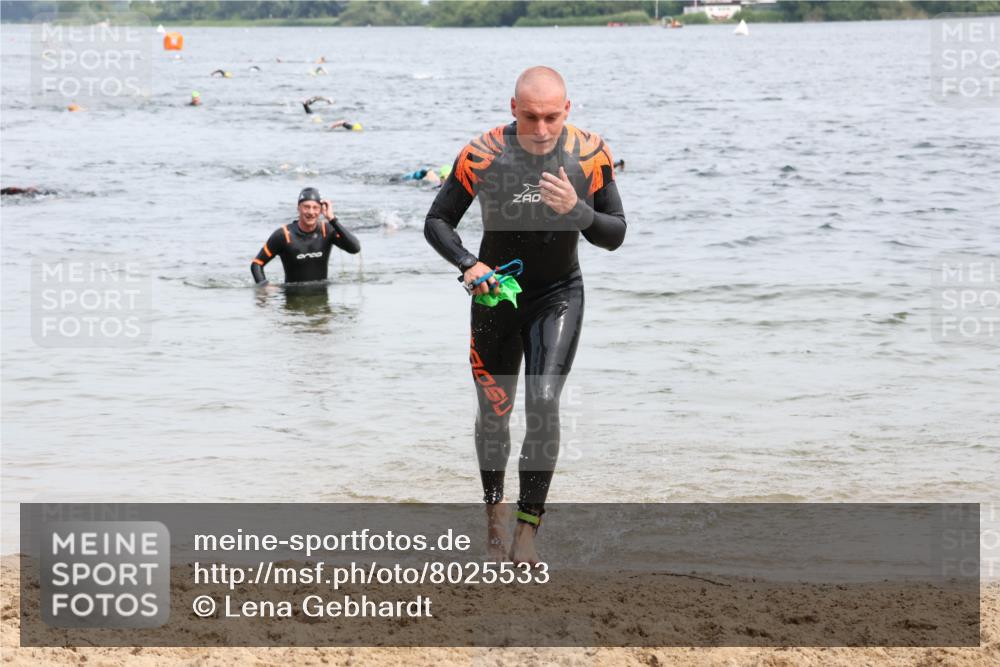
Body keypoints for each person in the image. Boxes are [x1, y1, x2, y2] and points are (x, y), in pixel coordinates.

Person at [424, 66, 626, 564]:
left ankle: (527, 532)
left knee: (543, 400)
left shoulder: (590, 153)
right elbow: (437, 221)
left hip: (558, 294)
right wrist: (469, 264)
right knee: (495, 414)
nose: (540, 130)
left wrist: (578, 211)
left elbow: (615, 233)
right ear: (513, 108)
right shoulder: (482, 154)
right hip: (494, 298)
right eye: (531, 117)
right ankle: (494, 517)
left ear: (567, 110)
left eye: (551, 118)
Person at [251, 187, 360, 285]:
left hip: (322, 305)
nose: (311, 212)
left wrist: (332, 219)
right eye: (306, 207)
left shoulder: (326, 230)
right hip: (293, 303)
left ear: (321, 210)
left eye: (315, 208)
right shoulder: (284, 235)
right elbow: (257, 264)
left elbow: (355, 248)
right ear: (298, 208)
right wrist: (264, 286)